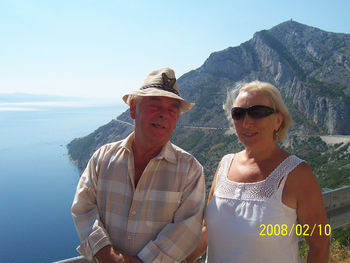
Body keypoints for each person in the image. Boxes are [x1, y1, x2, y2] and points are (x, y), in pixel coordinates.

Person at [71, 67, 206, 263]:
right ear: (134, 109)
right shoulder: (102, 158)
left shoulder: (190, 170)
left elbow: (187, 228)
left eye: (171, 110)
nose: (163, 115)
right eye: (155, 105)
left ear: (176, 119)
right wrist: (108, 255)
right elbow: (83, 207)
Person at [187, 81, 329, 263]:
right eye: (238, 114)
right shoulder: (224, 165)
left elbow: (319, 243)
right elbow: (209, 231)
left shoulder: (296, 173)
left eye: (257, 113)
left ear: (278, 120)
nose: (246, 123)